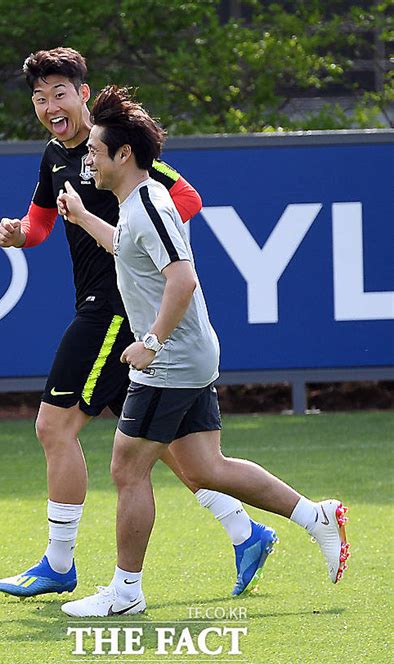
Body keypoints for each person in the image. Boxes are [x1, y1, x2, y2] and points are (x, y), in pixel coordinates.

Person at [0, 47, 277, 600]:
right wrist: (18, 235)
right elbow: (42, 223)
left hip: (115, 312)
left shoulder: (114, 148)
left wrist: (134, 242)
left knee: (54, 428)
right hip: (109, 314)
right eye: (39, 97)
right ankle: (247, 533)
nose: (50, 105)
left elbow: (185, 197)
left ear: (82, 93)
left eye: (59, 93)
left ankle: (58, 563)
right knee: (162, 443)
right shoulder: (54, 155)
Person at [56, 85, 350, 617]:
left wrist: (149, 342)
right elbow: (129, 248)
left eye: (96, 151)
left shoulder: (146, 206)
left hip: (170, 359)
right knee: (207, 467)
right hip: (190, 356)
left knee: (127, 469)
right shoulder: (139, 202)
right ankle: (316, 516)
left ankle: (125, 592)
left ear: (124, 155)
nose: (88, 160)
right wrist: (80, 218)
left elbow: (183, 280)